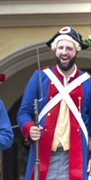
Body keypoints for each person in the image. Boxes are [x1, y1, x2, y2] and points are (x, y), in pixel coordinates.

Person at [17, 26, 91, 179]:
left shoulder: (87, 81)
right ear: (55, 50)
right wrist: (30, 128)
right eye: (61, 47)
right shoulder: (40, 76)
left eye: (69, 48)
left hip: (75, 155)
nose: (64, 52)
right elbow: (24, 112)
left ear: (76, 51)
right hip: (44, 153)